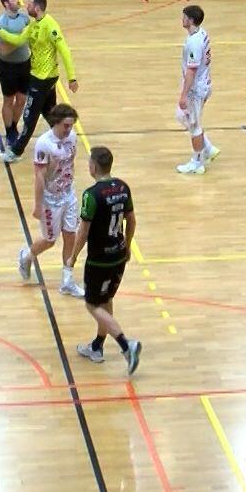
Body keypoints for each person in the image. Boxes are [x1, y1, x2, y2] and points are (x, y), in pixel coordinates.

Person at [74, 145, 143, 374]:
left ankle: (126, 345)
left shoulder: (91, 195)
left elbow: (83, 232)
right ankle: (97, 346)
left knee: (92, 304)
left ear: (93, 166)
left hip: (99, 259)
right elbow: (131, 221)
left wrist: (72, 257)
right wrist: (129, 245)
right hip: (119, 255)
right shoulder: (123, 187)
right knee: (106, 301)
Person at [0, 0, 78, 162]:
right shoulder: (33, 26)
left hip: (43, 79)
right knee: (49, 112)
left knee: (29, 116)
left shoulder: (50, 25)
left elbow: (64, 50)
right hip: (39, 77)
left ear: (37, 7)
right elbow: (18, 40)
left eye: (30, 4)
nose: (26, 6)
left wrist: (72, 78)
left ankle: (16, 152)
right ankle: (66, 138)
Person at [21, 103, 84, 297]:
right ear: (56, 123)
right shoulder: (44, 144)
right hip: (50, 199)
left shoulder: (72, 138)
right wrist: (38, 205)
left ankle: (67, 280)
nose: (69, 129)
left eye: (71, 125)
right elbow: (39, 176)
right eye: (66, 125)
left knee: (71, 236)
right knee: (50, 240)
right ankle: (27, 256)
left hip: (68, 194)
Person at [175, 6, 217, 176]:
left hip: (196, 89)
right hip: (203, 83)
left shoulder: (194, 43)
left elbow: (192, 71)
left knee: (194, 126)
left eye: (184, 17)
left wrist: (184, 94)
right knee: (181, 115)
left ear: (191, 20)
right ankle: (208, 148)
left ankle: (197, 163)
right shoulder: (201, 33)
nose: (182, 19)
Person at [0, 0, 32, 149]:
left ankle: (15, 126)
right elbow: (4, 50)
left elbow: (31, 38)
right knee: (8, 100)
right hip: (8, 67)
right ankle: (9, 131)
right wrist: (21, 39)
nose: (18, 0)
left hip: (25, 64)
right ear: (5, 3)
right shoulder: (2, 23)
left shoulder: (24, 17)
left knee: (22, 99)